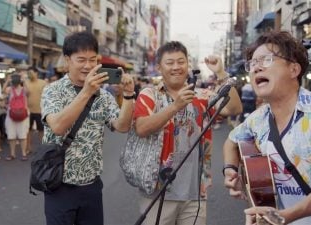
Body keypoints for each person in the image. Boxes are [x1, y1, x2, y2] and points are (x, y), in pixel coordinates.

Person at [132, 41, 242, 225]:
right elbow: (142, 128)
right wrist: (175, 106)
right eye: (170, 62)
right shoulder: (150, 94)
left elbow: (234, 108)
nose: (176, 67)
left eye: (181, 61)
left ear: (188, 64)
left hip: (195, 192)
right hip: (157, 190)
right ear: (159, 67)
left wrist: (221, 73)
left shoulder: (202, 95)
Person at [41, 31, 135, 225]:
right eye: (81, 59)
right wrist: (86, 92)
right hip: (59, 185)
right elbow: (58, 126)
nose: (88, 66)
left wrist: (128, 96)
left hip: (92, 186)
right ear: (67, 60)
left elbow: (122, 126)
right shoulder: (52, 90)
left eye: (93, 60)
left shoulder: (104, 96)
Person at [223, 31, 311, 225]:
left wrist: (284, 217)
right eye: (252, 64)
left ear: (294, 69)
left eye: (266, 60)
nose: (256, 68)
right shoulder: (258, 119)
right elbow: (231, 141)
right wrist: (230, 170)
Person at [3, 74, 29, 161]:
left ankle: (13, 154)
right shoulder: (22, 90)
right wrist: (24, 81)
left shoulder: (11, 90)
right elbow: (28, 91)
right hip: (21, 114)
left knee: (12, 135)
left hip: (12, 115)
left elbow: (3, 90)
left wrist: (7, 80)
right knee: (21, 135)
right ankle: (23, 154)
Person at [24, 66, 47, 155]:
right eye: (28, 73)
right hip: (28, 111)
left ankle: (42, 148)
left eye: (31, 73)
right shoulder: (26, 82)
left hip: (40, 111)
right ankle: (28, 147)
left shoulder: (43, 83)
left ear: (36, 73)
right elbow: (25, 94)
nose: (29, 75)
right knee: (28, 130)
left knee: (41, 130)